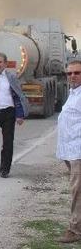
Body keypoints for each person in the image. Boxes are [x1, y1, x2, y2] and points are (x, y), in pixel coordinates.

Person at [56, 60, 81, 243]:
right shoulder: (73, 93)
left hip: (78, 151)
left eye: (77, 72)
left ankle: (75, 230)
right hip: (69, 150)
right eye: (69, 73)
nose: (72, 76)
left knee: (77, 191)